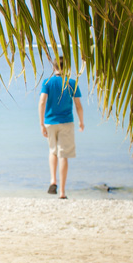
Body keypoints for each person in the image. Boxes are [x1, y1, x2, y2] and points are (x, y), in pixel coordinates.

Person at [38, 56, 84, 199]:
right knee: (63, 155)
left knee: (53, 151)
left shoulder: (47, 82)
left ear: (54, 67)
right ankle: (62, 192)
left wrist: (41, 123)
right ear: (67, 68)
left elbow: (42, 102)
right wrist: (81, 122)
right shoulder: (71, 83)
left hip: (50, 122)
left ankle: (53, 180)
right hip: (66, 122)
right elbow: (78, 105)